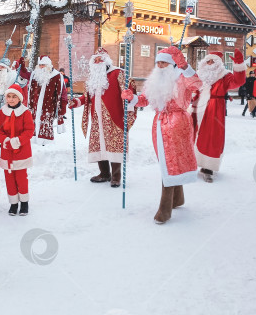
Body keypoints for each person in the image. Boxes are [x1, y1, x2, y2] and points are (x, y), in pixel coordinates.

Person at [122, 46, 202, 224]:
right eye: (158, 62)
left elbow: (198, 84)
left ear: (173, 64)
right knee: (169, 163)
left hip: (177, 123)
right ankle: (178, 197)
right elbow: (145, 98)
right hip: (159, 124)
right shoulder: (155, 80)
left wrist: (185, 66)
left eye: (164, 62)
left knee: (170, 164)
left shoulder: (182, 78)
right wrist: (132, 98)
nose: (160, 65)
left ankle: (165, 209)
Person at [68, 47, 136, 187]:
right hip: (97, 119)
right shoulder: (93, 78)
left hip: (114, 117)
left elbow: (129, 91)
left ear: (107, 60)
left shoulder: (118, 73)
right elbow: (87, 97)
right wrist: (76, 102)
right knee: (100, 145)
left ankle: (116, 176)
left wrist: (128, 106)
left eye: (100, 59)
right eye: (95, 59)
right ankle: (104, 173)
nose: (98, 61)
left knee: (114, 145)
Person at [190, 49, 246, 182]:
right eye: (207, 60)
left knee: (212, 136)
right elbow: (191, 88)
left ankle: (208, 167)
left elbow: (238, 82)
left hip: (214, 109)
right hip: (198, 108)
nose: (209, 63)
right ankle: (193, 162)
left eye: (212, 61)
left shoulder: (224, 76)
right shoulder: (199, 74)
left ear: (218, 63)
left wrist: (238, 64)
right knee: (193, 135)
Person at [0, 84, 34, 216]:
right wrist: (5, 141)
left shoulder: (25, 112)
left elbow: (29, 130)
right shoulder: (2, 112)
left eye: (14, 97)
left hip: (21, 151)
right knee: (9, 178)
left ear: (19, 98)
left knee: (21, 178)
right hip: (7, 150)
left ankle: (24, 203)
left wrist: (17, 141)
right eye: (8, 97)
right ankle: (13, 203)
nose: (10, 100)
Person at [27, 55, 68, 143]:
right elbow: (30, 90)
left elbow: (62, 93)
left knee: (46, 123)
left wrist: (62, 107)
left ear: (49, 65)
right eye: (40, 65)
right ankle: (34, 141)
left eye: (44, 65)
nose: (42, 67)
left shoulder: (56, 76)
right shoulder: (35, 75)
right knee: (34, 122)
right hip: (35, 105)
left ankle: (46, 142)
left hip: (49, 106)